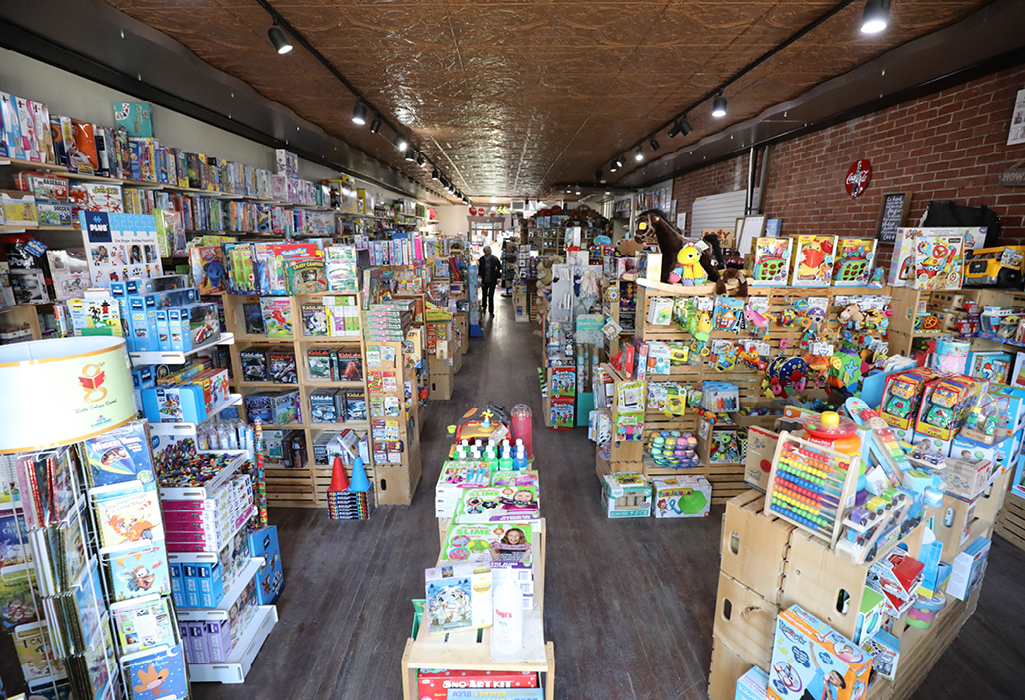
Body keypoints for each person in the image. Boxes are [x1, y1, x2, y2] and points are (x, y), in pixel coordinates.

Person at [478, 245, 502, 317]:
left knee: (484, 295)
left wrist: (480, 280)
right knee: (491, 296)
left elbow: (480, 271)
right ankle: (491, 312)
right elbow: (499, 267)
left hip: (484, 280)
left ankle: (484, 308)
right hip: (492, 280)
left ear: (484, 251)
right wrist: (496, 273)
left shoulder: (481, 259)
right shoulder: (495, 258)